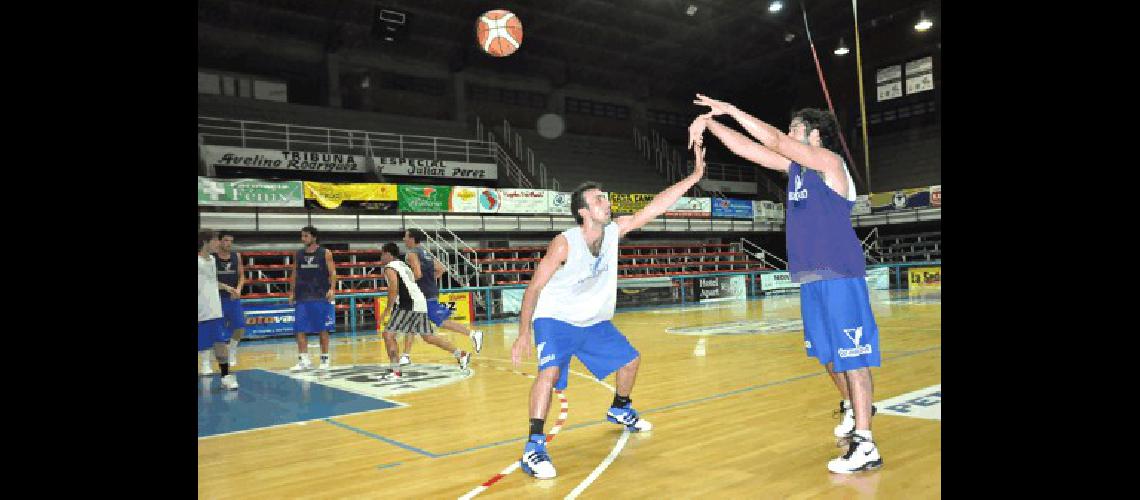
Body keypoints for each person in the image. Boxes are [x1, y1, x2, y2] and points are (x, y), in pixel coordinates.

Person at [690, 94, 881, 474]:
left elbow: (774, 140)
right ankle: (855, 407)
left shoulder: (830, 163)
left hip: (840, 272)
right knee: (828, 356)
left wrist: (729, 108)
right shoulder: (797, 170)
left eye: (796, 128)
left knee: (853, 357)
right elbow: (748, 148)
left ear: (814, 136)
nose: (789, 134)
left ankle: (865, 444)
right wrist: (710, 124)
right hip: (811, 276)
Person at [509, 144, 707, 480]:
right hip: (555, 319)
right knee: (550, 373)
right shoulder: (564, 243)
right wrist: (523, 333)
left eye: (605, 197)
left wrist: (695, 175)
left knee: (630, 361)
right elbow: (534, 289)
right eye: (599, 199)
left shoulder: (614, 231)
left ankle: (620, 409)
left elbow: (657, 206)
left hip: (593, 321)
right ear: (584, 212)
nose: (607, 202)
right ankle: (534, 446)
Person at [374, 242, 471, 380]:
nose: (381, 257)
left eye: (382, 254)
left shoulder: (389, 267)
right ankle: (460, 354)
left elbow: (393, 288)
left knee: (388, 335)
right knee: (428, 337)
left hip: (409, 304)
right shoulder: (402, 265)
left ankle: (395, 371)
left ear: (388, 254)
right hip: (419, 302)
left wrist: (387, 310)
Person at [397, 229, 483, 366]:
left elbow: (417, 274)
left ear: (412, 239)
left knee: (437, 322)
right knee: (426, 335)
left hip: (422, 295)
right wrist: (430, 281)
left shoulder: (411, 254)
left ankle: (473, 334)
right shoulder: (425, 252)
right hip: (429, 292)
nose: (403, 239)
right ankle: (461, 354)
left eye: (405, 237)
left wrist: (406, 284)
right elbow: (441, 269)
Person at [289, 226, 337, 371]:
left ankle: (324, 359)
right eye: (302, 236)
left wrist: (332, 289)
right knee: (300, 329)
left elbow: (333, 272)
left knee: (322, 329)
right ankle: (304, 360)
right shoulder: (298, 254)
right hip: (302, 296)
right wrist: (291, 292)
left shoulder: (325, 253)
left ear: (314, 237)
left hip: (320, 295)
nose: (303, 239)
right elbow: (294, 273)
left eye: (306, 236)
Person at [198, 229, 238, 390]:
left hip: (214, 311)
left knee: (220, 345)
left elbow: (212, 281)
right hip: (200, 312)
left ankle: (225, 377)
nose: (218, 243)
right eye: (215, 240)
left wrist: (227, 287)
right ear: (205, 242)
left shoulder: (212, 261)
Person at [214, 232, 246, 367]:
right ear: (219, 241)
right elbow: (210, 280)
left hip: (233, 298)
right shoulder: (212, 257)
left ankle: (232, 350)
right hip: (216, 298)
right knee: (216, 329)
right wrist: (226, 288)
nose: (229, 243)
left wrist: (238, 289)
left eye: (231, 241)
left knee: (240, 327)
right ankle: (217, 357)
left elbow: (242, 276)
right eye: (226, 240)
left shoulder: (236, 256)